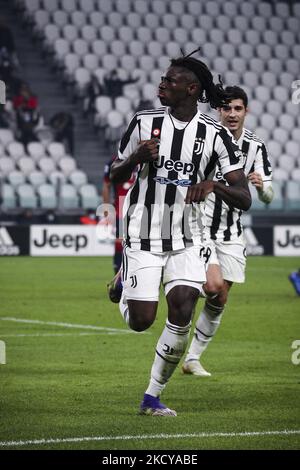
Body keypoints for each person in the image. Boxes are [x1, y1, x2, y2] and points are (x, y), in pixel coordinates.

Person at [108, 49, 251, 416]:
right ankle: (124, 282)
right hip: (143, 235)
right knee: (142, 321)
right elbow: (114, 175)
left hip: (189, 238)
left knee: (183, 307)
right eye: (163, 79)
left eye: (169, 81)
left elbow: (244, 197)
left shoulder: (216, 134)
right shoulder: (143, 122)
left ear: (191, 89)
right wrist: (134, 159)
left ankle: (152, 397)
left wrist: (214, 186)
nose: (161, 84)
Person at [182, 86, 274, 377]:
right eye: (226, 108)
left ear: (247, 111)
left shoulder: (255, 146)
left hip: (232, 232)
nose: (232, 114)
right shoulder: (205, 138)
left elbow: (268, 196)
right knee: (212, 286)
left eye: (237, 108)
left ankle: (192, 359)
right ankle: (177, 280)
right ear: (218, 111)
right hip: (200, 226)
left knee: (219, 298)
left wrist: (262, 187)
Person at [102, 156, 136, 276]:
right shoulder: (113, 161)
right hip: (122, 207)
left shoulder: (146, 157)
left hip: (142, 208)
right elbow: (106, 185)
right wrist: (106, 208)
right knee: (120, 242)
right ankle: (118, 277)